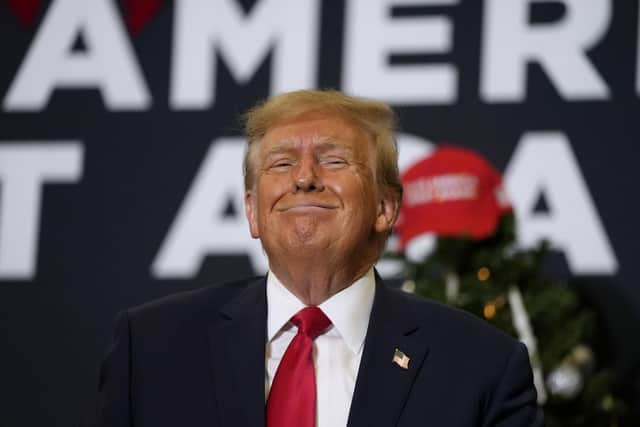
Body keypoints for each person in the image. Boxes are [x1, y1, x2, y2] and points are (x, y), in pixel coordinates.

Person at [94, 89, 543, 427]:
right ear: (252, 210)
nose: (305, 178)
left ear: (386, 208)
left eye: (333, 160)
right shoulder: (152, 348)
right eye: (282, 164)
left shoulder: (480, 366)